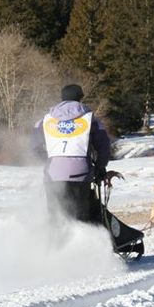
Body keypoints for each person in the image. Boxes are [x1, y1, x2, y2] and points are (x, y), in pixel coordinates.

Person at [32, 84, 111, 223]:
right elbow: (104, 147)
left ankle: (56, 242)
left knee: (56, 218)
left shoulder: (46, 120)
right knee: (80, 219)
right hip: (81, 174)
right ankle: (81, 242)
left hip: (53, 174)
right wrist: (99, 167)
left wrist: (49, 160)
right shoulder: (89, 119)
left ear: (62, 98)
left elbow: (33, 146)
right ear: (80, 98)